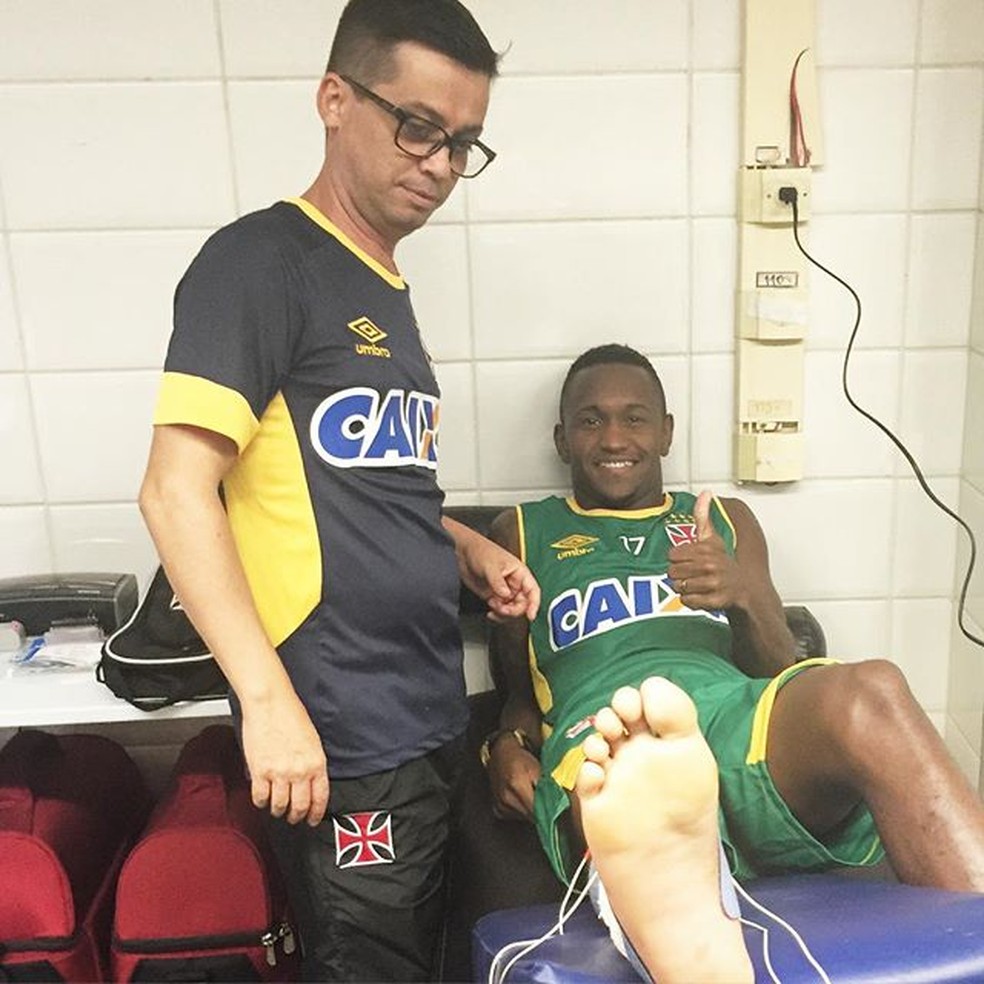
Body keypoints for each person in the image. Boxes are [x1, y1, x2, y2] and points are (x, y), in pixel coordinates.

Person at [138, 2, 538, 980]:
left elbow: (358, 487)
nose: (440, 165)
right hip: (340, 730)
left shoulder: (381, 286)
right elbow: (174, 494)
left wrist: (463, 547)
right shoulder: (260, 264)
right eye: (418, 127)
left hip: (428, 712)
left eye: (463, 143)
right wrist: (267, 703)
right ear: (334, 99)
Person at [485, 342, 984, 983]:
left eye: (635, 418)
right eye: (590, 420)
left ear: (667, 432)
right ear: (561, 440)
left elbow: (778, 662)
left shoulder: (725, 521)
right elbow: (518, 685)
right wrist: (505, 745)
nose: (613, 437)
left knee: (873, 689)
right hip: (609, 728)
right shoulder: (521, 533)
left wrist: (741, 594)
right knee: (634, 773)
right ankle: (671, 874)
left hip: (731, 718)